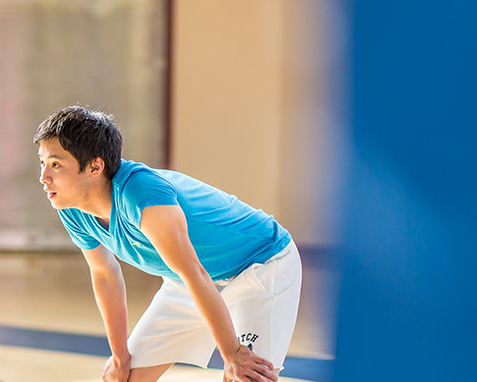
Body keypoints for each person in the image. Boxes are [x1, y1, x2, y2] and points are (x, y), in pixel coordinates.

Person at [34, 106, 301, 382]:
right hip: (188, 281)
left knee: (248, 377)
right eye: (42, 163)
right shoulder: (71, 207)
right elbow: (105, 275)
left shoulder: (141, 194)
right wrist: (119, 357)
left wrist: (232, 353)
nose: (44, 177)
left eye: (56, 164)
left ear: (95, 166)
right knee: (123, 379)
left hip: (261, 263)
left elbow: (194, 271)